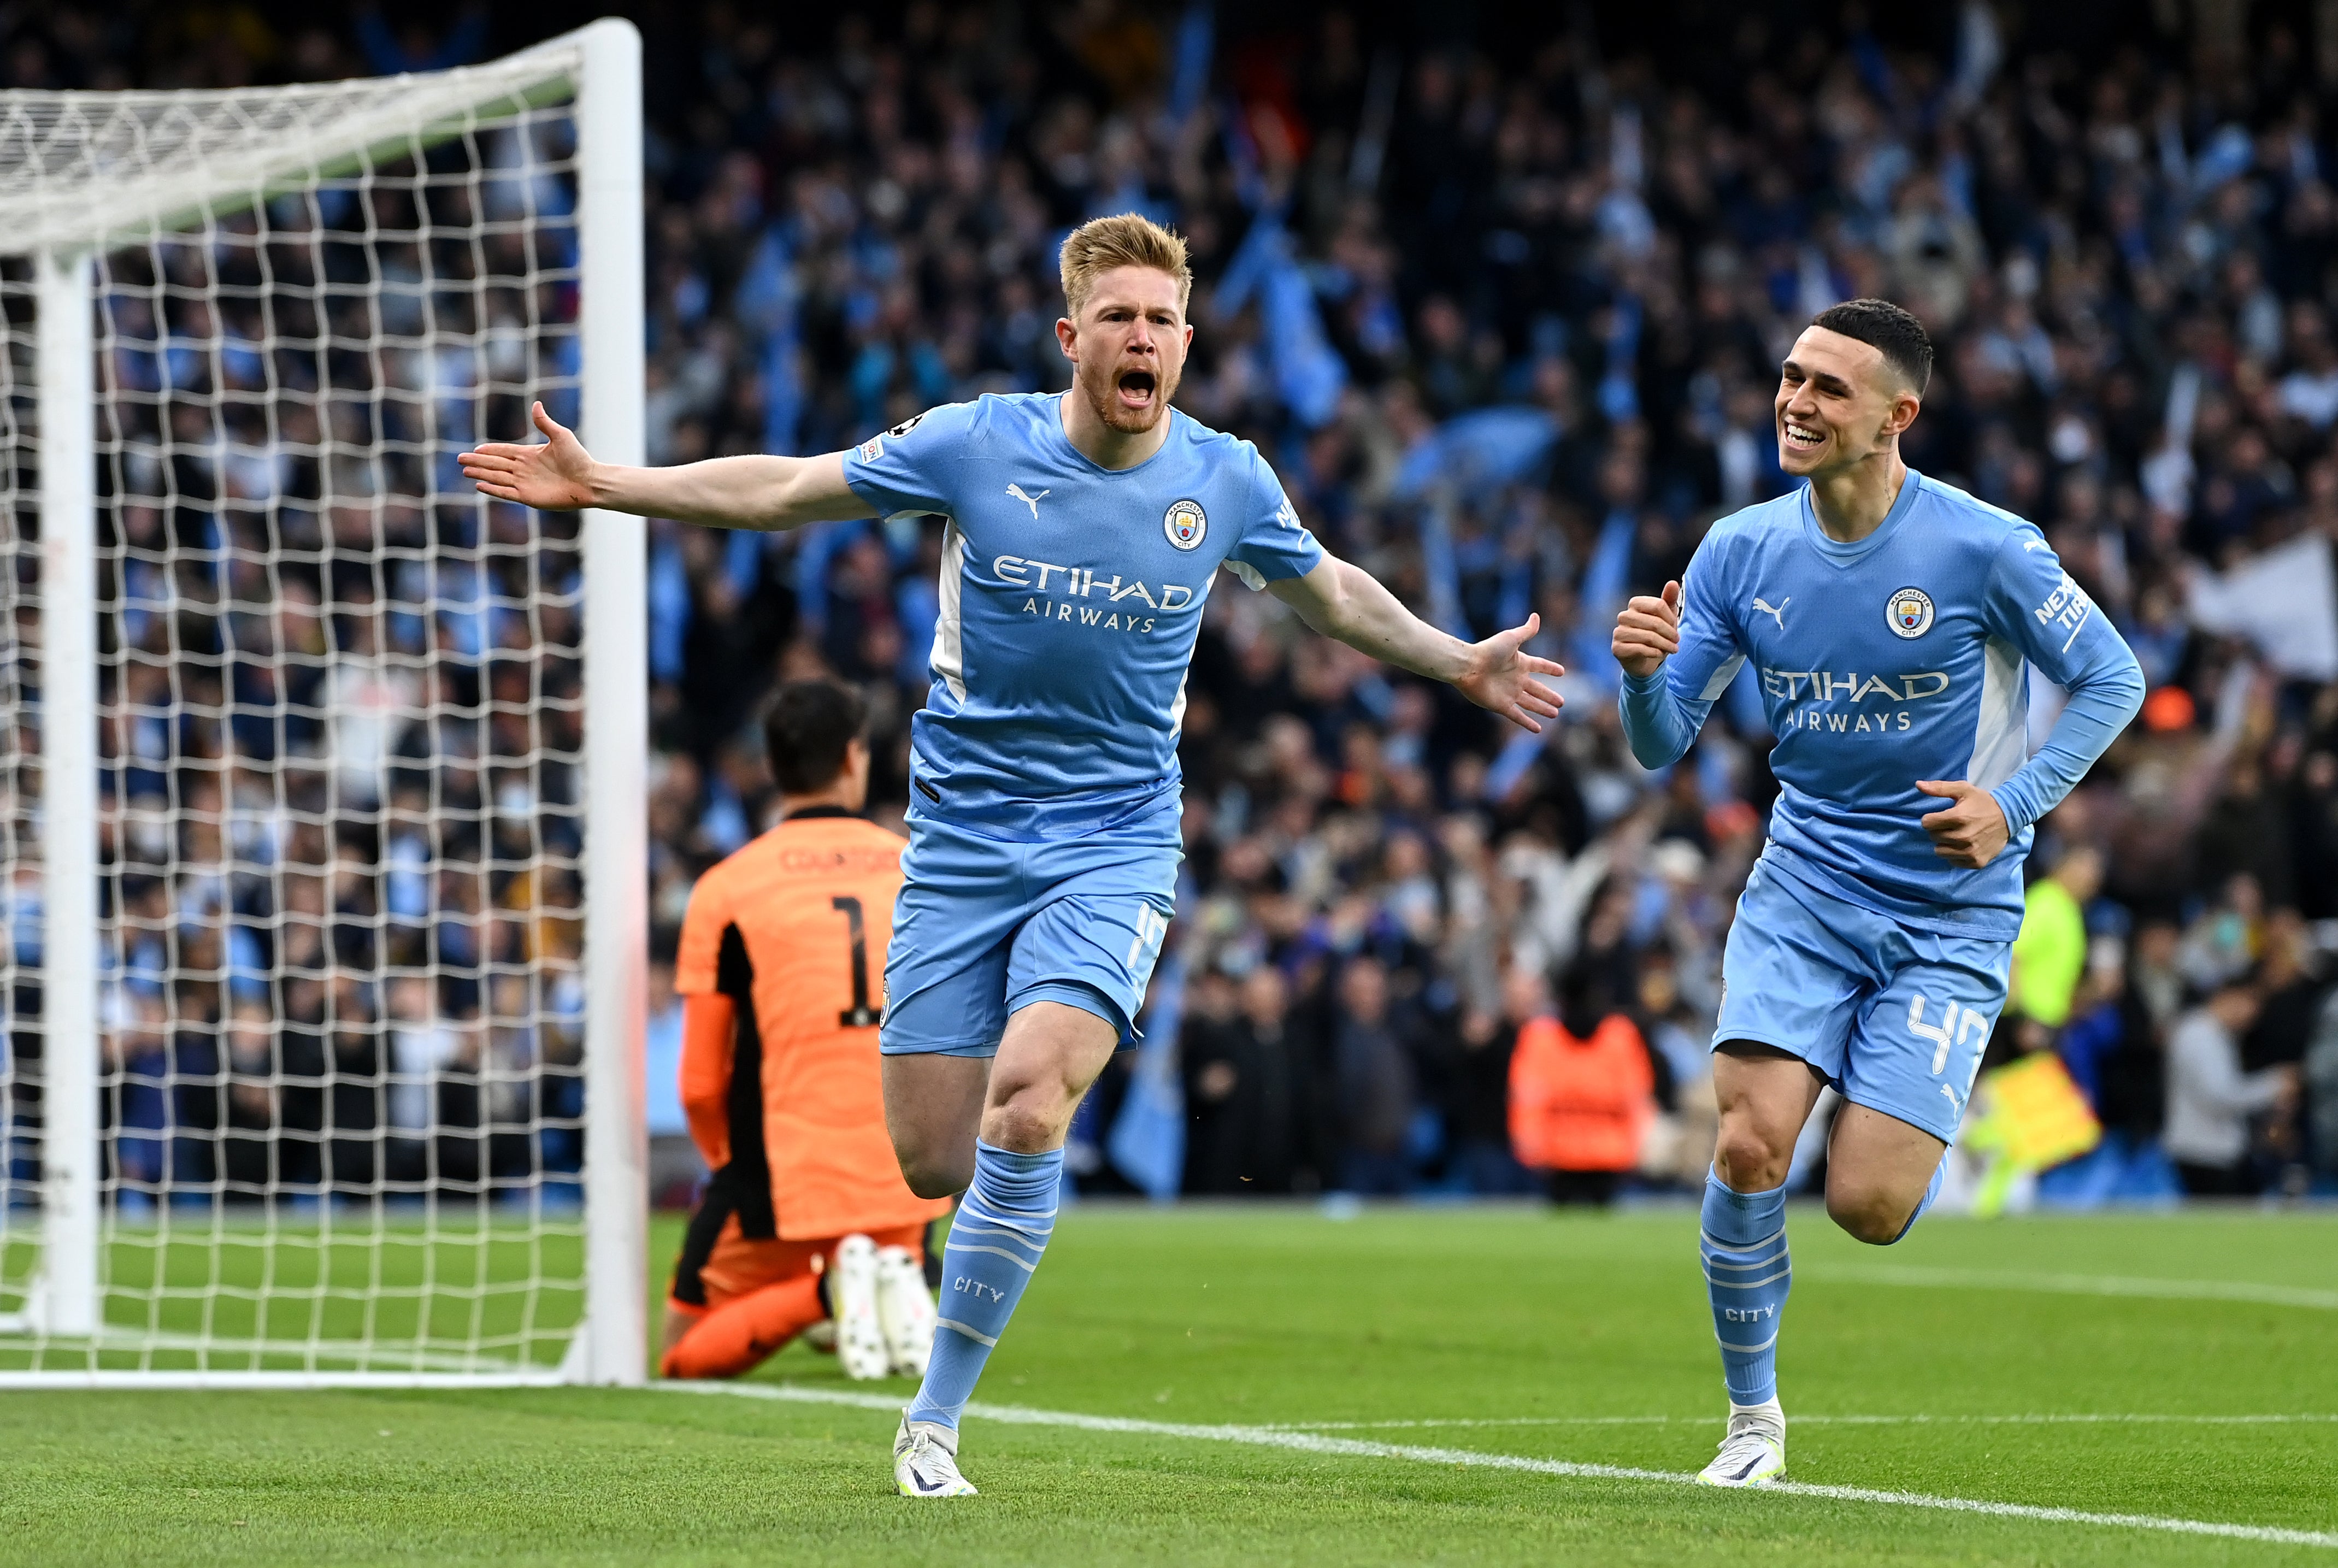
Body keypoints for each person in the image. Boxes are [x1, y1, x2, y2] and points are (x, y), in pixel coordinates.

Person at [461, 213, 1562, 1496]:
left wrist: (1457, 660)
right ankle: (904, 1260)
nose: (1141, 339)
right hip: (962, 847)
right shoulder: (976, 443)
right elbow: (790, 488)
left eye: (1161, 321)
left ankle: (934, 1418)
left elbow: (1332, 594)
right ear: (1071, 338)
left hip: (1117, 844)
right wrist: (612, 487)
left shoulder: (1227, 479)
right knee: (934, 1156)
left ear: (1187, 343)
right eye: (1118, 319)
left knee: (1031, 1099)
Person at [1610, 298, 2145, 1487]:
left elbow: (2113, 676)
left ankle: (1869, 1096)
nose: (1796, 403)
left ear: (1896, 416)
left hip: (1952, 907)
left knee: (1870, 1202)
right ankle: (1752, 1425)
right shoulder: (1741, 547)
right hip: (1804, 883)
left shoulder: (1984, 547)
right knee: (1749, 1146)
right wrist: (1644, 677)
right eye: (1791, 378)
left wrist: (2017, 802)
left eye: (1828, 390)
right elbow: (1658, 742)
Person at [657, 680, 951, 1383]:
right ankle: (887, 1274)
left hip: (784, 1165)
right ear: (855, 757)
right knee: (881, 1262)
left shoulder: (728, 886)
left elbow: (700, 1082)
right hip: (904, 1172)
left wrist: (732, 1171)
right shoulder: (921, 869)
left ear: (771, 763)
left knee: (680, 1350)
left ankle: (826, 1290)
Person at [1507, 962, 1656, 1205]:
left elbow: (1637, 1098)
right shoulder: (1541, 1037)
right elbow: (1527, 1098)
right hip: (1567, 1158)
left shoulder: (1619, 1036)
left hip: (1604, 1157)